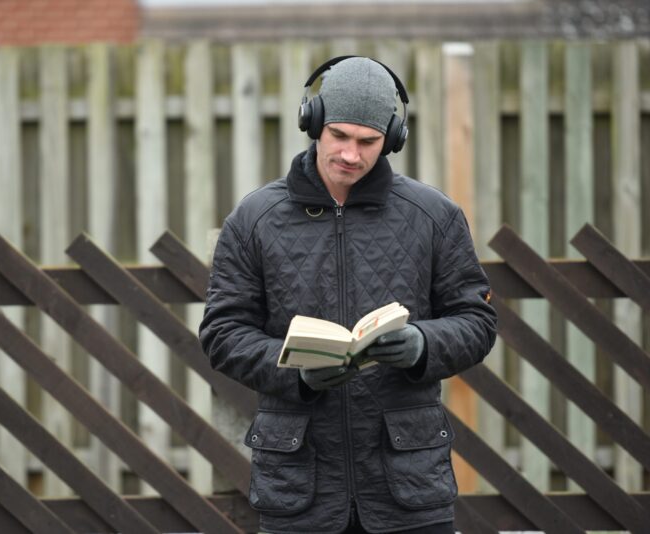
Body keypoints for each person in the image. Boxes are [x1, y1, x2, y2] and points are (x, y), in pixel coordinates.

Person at [200, 56, 497, 534]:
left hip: (409, 488)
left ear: (392, 139)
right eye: (339, 135)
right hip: (298, 487)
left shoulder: (434, 216)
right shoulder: (255, 218)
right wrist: (294, 369)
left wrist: (423, 344)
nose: (351, 155)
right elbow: (221, 333)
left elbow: (477, 321)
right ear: (313, 123)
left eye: (368, 142)